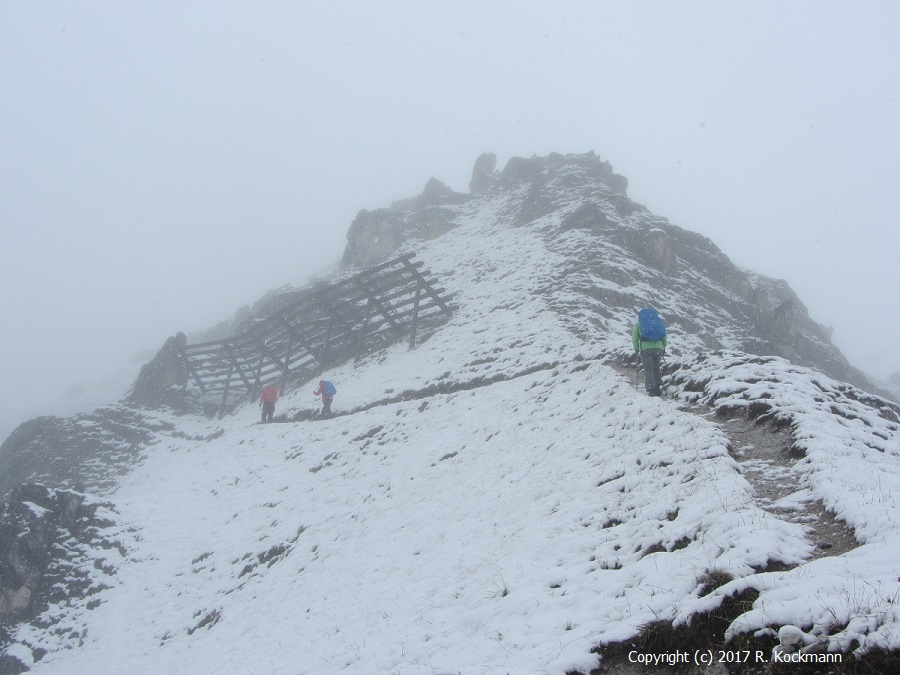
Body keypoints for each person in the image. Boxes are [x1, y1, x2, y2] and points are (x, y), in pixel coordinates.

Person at [632, 307, 667, 397]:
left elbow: (634, 337)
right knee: (656, 367)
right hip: (658, 349)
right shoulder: (658, 323)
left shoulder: (639, 324)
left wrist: (636, 348)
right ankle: (658, 387)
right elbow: (664, 335)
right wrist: (663, 346)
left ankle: (652, 389)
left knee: (649, 369)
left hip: (645, 349)